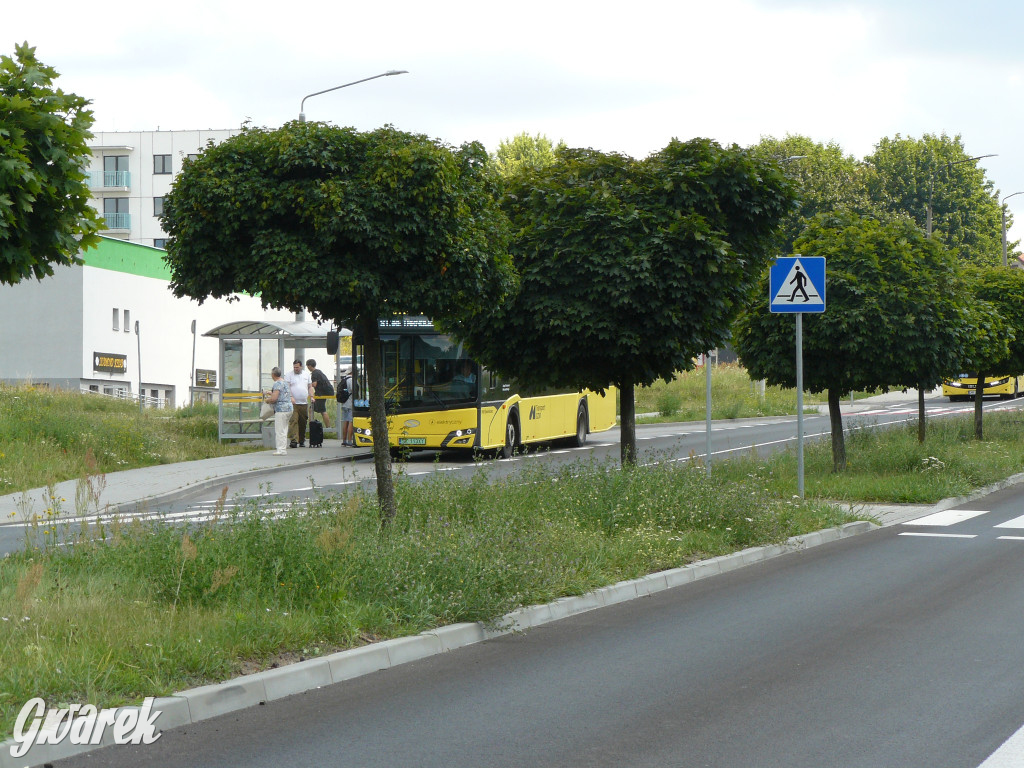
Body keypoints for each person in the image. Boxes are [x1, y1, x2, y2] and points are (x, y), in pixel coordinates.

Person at [265, 366, 293, 455]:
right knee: (284, 429)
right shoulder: (284, 382)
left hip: (281, 409)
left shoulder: (277, 384)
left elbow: (274, 398)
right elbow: (282, 394)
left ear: (273, 374)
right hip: (289, 408)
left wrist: (267, 400)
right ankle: (283, 448)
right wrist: (271, 393)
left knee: (279, 430)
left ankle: (281, 450)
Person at [285, 359, 311, 447]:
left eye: (297, 367)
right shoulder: (289, 375)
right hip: (293, 403)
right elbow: (287, 388)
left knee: (303, 421)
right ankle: (293, 440)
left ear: (301, 366)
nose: (296, 369)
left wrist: (312, 396)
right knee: (293, 421)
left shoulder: (306, 375)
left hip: (303, 403)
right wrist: (291, 397)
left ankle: (301, 439)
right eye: (294, 367)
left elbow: (310, 387)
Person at [306, 359, 333, 429]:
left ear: (309, 366)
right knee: (311, 409)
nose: (307, 368)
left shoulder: (314, 373)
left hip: (320, 395)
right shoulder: (319, 372)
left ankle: (328, 427)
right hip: (321, 394)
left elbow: (314, 384)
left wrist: (307, 385)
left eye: (307, 366)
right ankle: (312, 425)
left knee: (322, 411)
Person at [339, 368, 355, 447]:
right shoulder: (352, 380)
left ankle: (344, 441)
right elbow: (353, 390)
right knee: (351, 422)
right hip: (350, 404)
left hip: (344, 404)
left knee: (345, 422)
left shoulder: (344, 379)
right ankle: (350, 441)